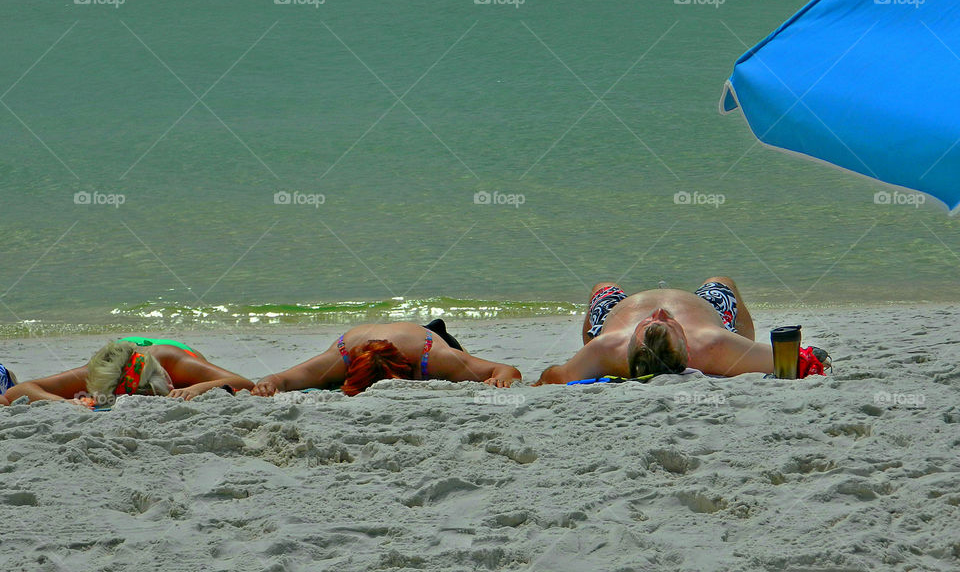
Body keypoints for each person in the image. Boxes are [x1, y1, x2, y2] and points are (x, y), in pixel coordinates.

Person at [537, 277, 787, 384]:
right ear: (686, 347)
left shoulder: (606, 347)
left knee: (604, 287)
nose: (658, 312)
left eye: (647, 324)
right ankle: (739, 340)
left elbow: (552, 378)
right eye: (668, 324)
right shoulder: (713, 343)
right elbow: (791, 360)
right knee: (721, 282)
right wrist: (740, 349)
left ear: (630, 347)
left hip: (615, 317)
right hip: (708, 310)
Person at [251, 319, 521, 397]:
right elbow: (283, 379)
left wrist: (499, 382)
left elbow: (505, 370)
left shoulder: (435, 358)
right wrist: (267, 384)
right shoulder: (339, 358)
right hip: (363, 342)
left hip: (429, 336)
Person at [0, 337, 254, 406]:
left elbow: (243, 383)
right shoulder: (100, 373)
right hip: (117, 359)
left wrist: (196, 387)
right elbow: (20, 391)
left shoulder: (174, 360)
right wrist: (64, 403)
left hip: (161, 354)